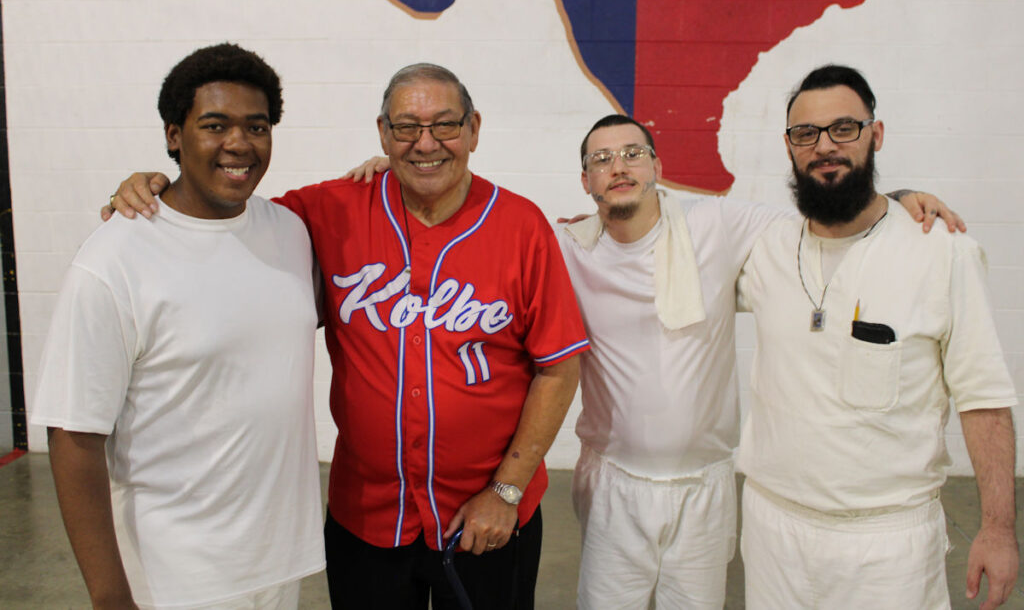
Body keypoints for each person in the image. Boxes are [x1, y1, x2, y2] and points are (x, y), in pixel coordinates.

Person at [342, 114, 962, 609]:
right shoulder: (565, 248)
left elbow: (819, 223)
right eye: (601, 159)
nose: (618, 167)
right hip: (615, 482)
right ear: (585, 181)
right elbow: (486, 229)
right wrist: (396, 175)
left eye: (632, 154)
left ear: (657, 167)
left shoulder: (719, 222)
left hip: (705, 483)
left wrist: (892, 200)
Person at [105, 63, 590, 609]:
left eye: (445, 125)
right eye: (406, 127)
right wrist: (157, 189)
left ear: (473, 129)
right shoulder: (326, 210)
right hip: (367, 517)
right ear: (383, 133)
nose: (425, 143)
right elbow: (222, 215)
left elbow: (558, 367)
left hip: (487, 515)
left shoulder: (522, 226)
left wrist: (507, 490)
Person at [31, 44, 325, 609]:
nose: (239, 143)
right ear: (174, 135)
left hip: (278, 563)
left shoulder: (289, 232)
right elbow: (73, 436)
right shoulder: (114, 259)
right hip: (173, 577)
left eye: (257, 126)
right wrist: (110, 596)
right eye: (214, 125)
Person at [736, 64, 1018, 609]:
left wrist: (998, 529)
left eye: (844, 128)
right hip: (773, 532)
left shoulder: (942, 252)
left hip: (887, 546)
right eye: (806, 133)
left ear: (876, 134)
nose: (825, 146)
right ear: (789, 147)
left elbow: (984, 400)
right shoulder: (766, 247)